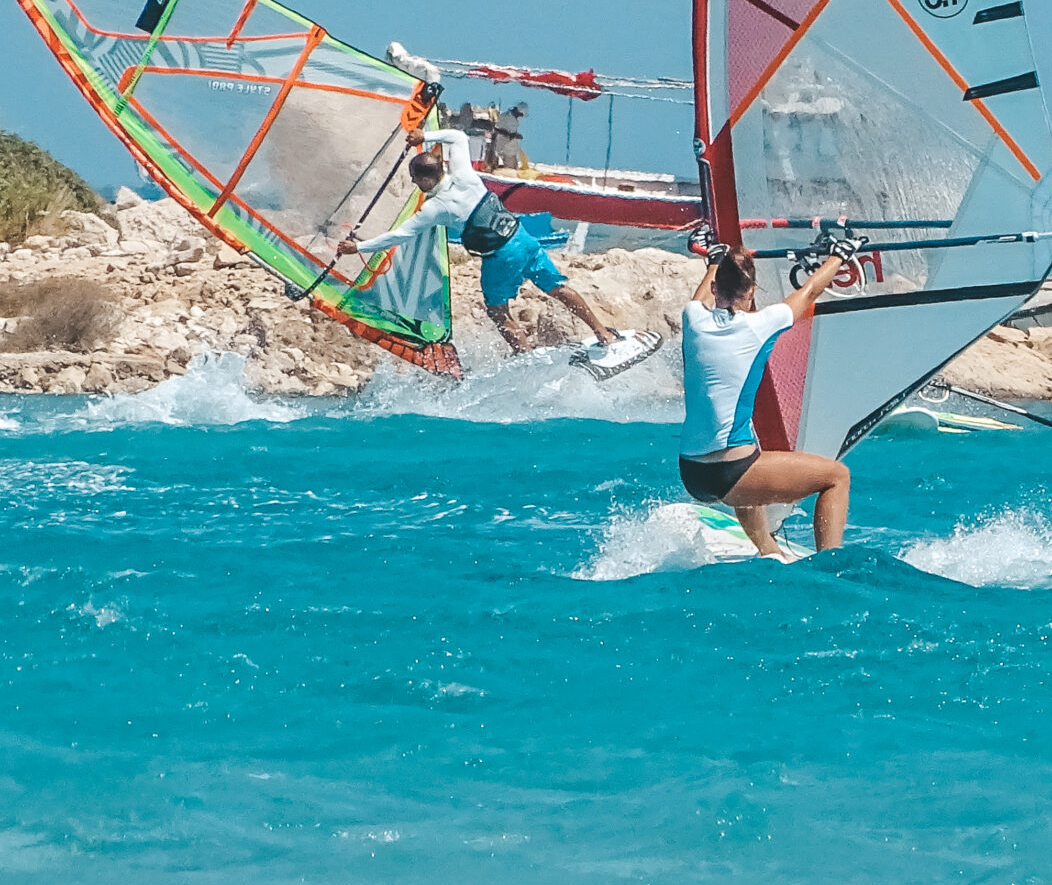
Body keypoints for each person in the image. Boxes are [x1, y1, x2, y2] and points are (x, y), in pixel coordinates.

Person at [338, 126, 635, 358]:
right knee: (558, 288)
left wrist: (358, 248)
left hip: (501, 256)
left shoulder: (435, 207)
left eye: (416, 180)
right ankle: (603, 334)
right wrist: (424, 136)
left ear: (426, 180)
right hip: (524, 239)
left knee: (497, 311)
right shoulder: (465, 175)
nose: (416, 185)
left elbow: (399, 235)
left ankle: (525, 355)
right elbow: (456, 136)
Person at [678, 237, 854, 561]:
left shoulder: (692, 318)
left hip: (691, 473)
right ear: (752, 292)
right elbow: (809, 292)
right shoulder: (760, 324)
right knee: (836, 476)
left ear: (716, 288)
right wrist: (839, 256)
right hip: (731, 472)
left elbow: (702, 295)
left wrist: (715, 260)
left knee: (752, 460)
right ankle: (831, 569)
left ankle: (768, 550)